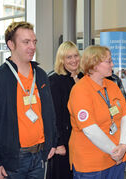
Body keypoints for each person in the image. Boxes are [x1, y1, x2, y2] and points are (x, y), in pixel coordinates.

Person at [0, 21, 56, 179]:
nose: (32, 46)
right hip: (12, 160)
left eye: (34, 41)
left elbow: (50, 113)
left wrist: (52, 142)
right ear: (11, 44)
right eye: (26, 42)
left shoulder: (40, 75)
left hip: (39, 157)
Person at [67, 45, 126, 179]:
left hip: (116, 159)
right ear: (94, 64)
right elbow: (89, 129)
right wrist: (115, 151)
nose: (112, 64)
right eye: (108, 61)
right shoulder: (80, 90)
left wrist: (123, 145)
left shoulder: (112, 86)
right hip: (92, 164)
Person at [46, 41, 83, 179]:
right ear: (61, 60)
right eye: (69, 57)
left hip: (81, 139)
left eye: (76, 56)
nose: (74, 60)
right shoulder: (55, 81)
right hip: (64, 141)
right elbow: (53, 116)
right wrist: (58, 143)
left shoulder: (84, 78)